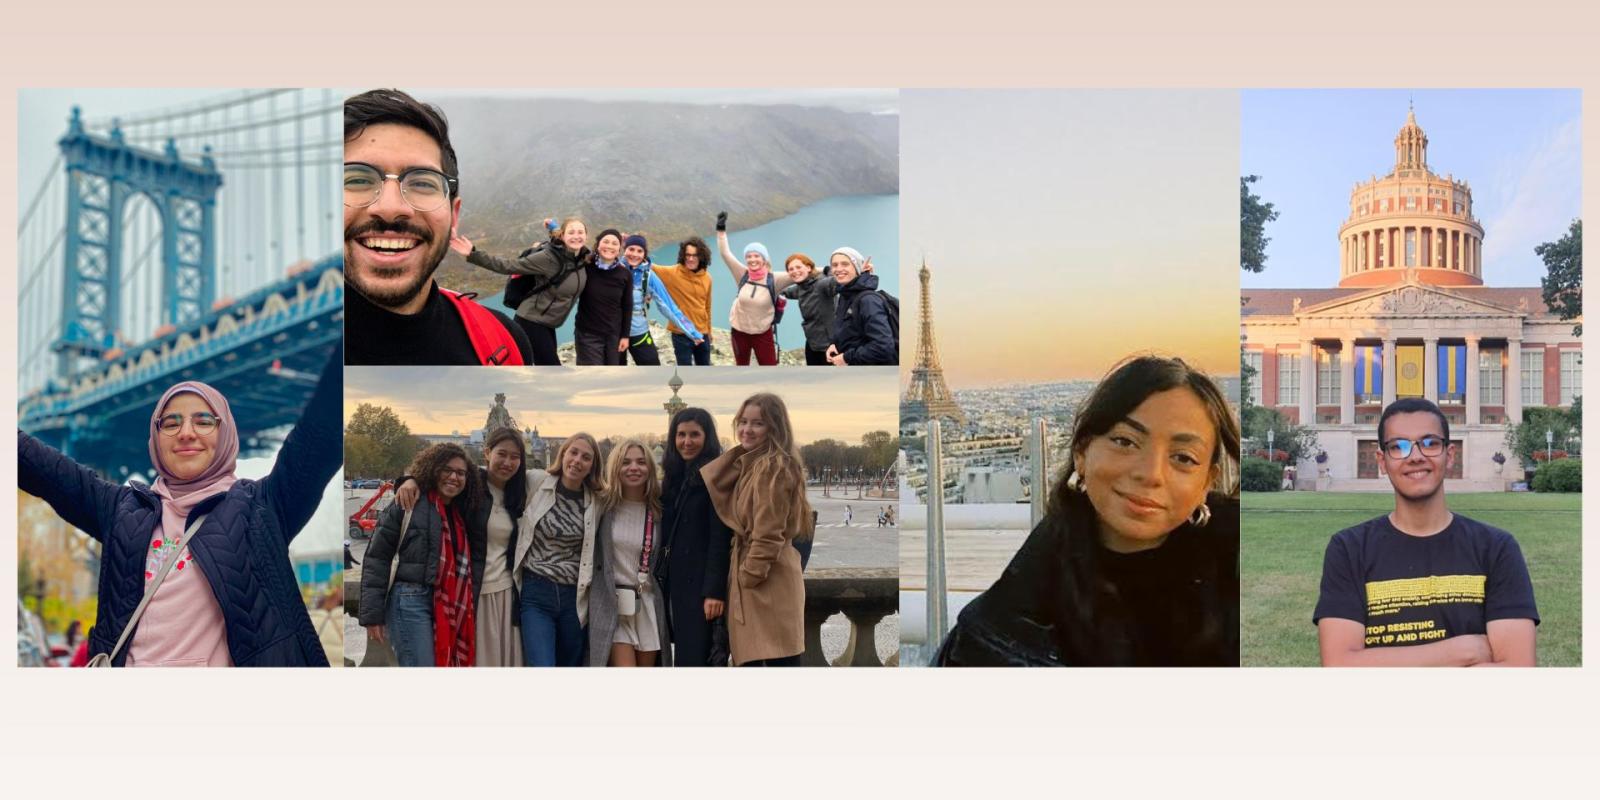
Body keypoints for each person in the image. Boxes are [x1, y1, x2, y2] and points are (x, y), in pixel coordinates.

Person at [17, 344, 343, 667]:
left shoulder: (263, 509)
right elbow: (36, 465)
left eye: (203, 421)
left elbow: (321, 432)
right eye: (170, 423)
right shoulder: (119, 510)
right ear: (155, 438)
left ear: (226, 433)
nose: (186, 433)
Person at [935, 355, 1240, 667]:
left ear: (1207, 482)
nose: (1151, 474)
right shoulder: (1022, 601)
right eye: (1125, 441)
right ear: (1082, 451)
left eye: (1184, 458)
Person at [1314, 398, 1538, 667]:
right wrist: (1461, 651)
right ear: (1382, 461)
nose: (1416, 456)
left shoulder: (1496, 548)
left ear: (1450, 455)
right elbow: (1339, 666)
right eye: (1399, 446)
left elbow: (1517, 670)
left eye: (1430, 443)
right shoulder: (1349, 549)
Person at [343, 89, 530, 366]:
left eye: (421, 182)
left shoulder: (504, 342)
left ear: (453, 216)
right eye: (357, 179)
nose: (391, 208)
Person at [701, 393, 812, 666]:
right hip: (764, 581)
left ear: (774, 427)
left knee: (775, 662)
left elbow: (768, 535)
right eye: (743, 422)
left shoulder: (771, 468)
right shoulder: (754, 463)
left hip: (766, 584)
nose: (746, 430)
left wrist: (747, 576)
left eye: (758, 423)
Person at [358, 443, 479, 667]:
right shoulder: (408, 502)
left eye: (461, 473)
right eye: (447, 470)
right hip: (410, 601)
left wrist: (406, 479)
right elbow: (377, 557)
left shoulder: (460, 511)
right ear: (433, 469)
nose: (454, 477)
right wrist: (372, 615)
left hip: (446, 602)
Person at [451, 218, 591, 366]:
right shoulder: (547, 258)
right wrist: (473, 254)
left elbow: (602, 258)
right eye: (571, 232)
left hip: (547, 323)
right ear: (563, 236)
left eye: (580, 232)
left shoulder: (582, 259)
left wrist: (552, 226)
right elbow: (508, 266)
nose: (576, 236)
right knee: (551, 368)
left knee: (542, 366)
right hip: (531, 321)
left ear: (586, 236)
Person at [515, 433, 603, 665]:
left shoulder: (597, 501)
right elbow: (493, 476)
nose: (577, 461)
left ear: (593, 465)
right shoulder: (535, 481)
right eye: (573, 452)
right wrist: (411, 479)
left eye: (586, 457)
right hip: (536, 592)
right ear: (563, 454)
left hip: (574, 597)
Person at [658, 408, 732, 667]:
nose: (686, 442)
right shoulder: (675, 476)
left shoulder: (715, 476)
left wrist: (714, 592)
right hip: (675, 584)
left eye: (694, 435)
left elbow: (720, 538)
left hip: (699, 588)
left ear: (707, 437)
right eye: (680, 435)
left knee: (695, 657)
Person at [588, 439, 672, 666]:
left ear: (650, 468)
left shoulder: (659, 510)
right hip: (613, 604)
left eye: (641, 462)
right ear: (615, 468)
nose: (633, 468)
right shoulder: (603, 505)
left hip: (646, 603)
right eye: (625, 462)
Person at [715, 211, 793, 365]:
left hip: (762, 334)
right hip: (739, 332)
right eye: (749, 256)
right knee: (741, 365)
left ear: (764, 259)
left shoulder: (774, 279)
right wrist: (721, 230)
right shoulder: (742, 274)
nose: (752, 259)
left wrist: (828, 271)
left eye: (756, 256)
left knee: (769, 366)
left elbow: (800, 273)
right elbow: (725, 253)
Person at [621, 234, 703, 366]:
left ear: (644, 254)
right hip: (613, 332)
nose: (635, 254)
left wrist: (691, 332)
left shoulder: (648, 277)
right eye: (631, 249)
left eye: (639, 251)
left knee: (652, 367)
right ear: (624, 250)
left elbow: (668, 306)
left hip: (638, 331)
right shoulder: (613, 269)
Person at [826, 246, 897, 366]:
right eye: (835, 265)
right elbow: (848, 329)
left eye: (845, 264)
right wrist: (834, 344)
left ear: (857, 267)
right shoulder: (845, 295)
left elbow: (882, 346)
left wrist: (847, 358)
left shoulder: (868, 301)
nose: (838, 269)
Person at [652, 237, 717, 366]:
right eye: (687, 255)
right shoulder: (672, 273)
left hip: (702, 333)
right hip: (681, 334)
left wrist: (709, 331)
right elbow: (647, 265)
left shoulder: (707, 278)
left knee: (704, 370)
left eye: (695, 255)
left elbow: (707, 307)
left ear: (702, 256)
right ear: (683, 255)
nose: (690, 259)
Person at [573, 229, 634, 366]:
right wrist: (554, 228)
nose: (610, 246)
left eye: (614, 243)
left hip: (614, 335)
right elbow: (572, 244)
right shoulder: (586, 267)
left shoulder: (625, 274)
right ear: (598, 245)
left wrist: (625, 336)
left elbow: (627, 306)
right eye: (605, 241)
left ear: (619, 249)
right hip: (588, 335)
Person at [778, 253, 840, 366]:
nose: (794, 271)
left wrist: (861, 273)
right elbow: (784, 292)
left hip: (830, 345)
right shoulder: (801, 288)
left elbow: (839, 281)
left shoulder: (822, 284)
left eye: (798, 267)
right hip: (812, 344)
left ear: (809, 267)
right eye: (790, 269)